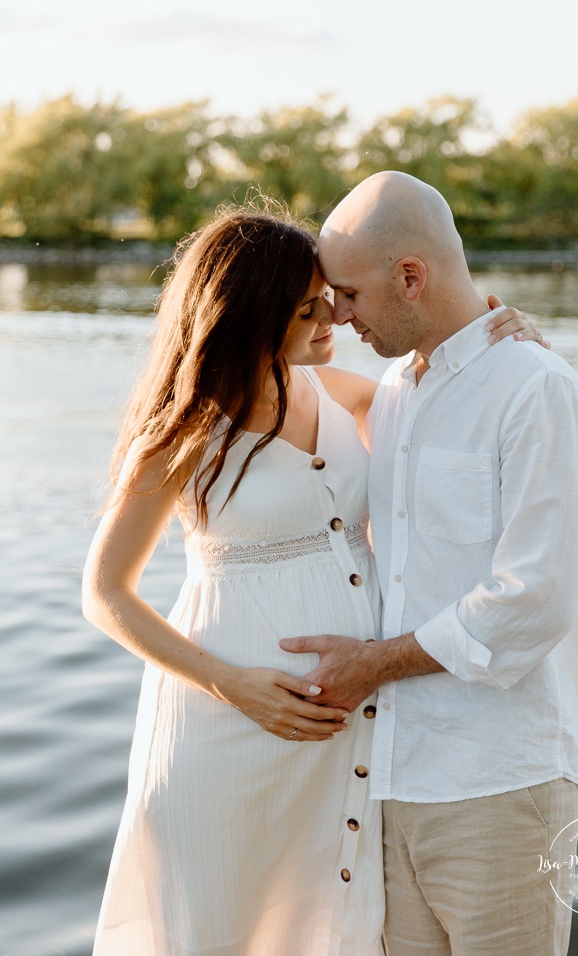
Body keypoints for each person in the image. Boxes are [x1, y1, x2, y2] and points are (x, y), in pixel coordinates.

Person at [82, 200, 539, 956]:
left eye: (330, 298)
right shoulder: (183, 432)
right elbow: (104, 594)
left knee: (321, 924)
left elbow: (439, 387)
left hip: (338, 728)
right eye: (307, 310)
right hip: (225, 721)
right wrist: (234, 684)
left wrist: (497, 332)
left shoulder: (338, 393)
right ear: (251, 317)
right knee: (218, 920)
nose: (333, 319)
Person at [281, 171, 578, 956]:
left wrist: (371, 666)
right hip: (389, 778)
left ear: (409, 276)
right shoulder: (397, 387)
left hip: (500, 781)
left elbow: (532, 598)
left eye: (350, 295)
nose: (337, 314)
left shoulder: (536, 391)